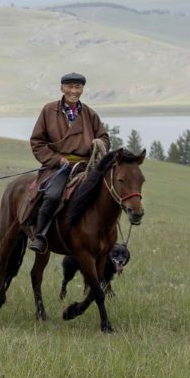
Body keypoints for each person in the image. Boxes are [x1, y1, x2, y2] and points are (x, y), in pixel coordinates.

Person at [28, 72, 110, 253]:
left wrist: (100, 143)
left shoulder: (90, 113)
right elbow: (37, 142)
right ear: (62, 88)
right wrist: (57, 159)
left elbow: (104, 137)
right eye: (70, 87)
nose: (74, 91)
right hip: (59, 167)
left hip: (87, 165)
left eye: (77, 87)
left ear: (82, 89)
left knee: (108, 194)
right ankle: (40, 235)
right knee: (53, 195)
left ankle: (108, 238)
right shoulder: (49, 111)